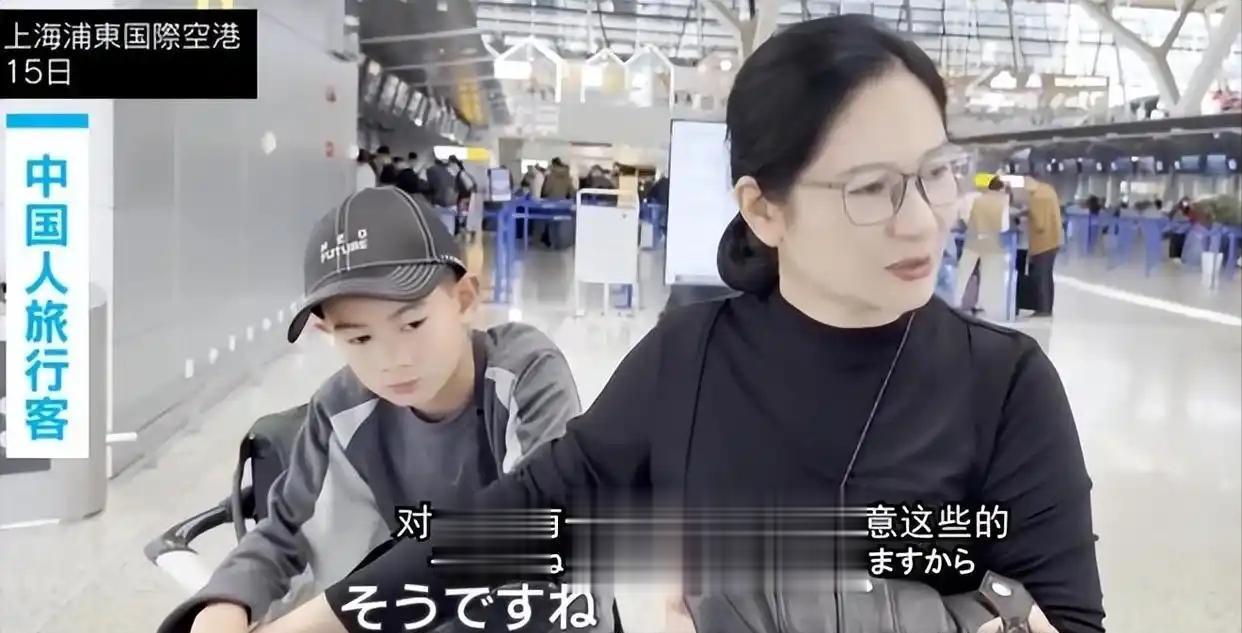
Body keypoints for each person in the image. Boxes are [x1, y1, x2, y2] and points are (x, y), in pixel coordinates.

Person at [264, 15, 1103, 633]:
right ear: (764, 209)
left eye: (937, 173)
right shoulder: (690, 361)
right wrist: (326, 617)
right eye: (872, 189)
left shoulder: (1005, 384)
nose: (922, 220)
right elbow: (523, 518)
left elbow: (1064, 616)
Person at [158, 188, 582, 633]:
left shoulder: (523, 375)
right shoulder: (341, 410)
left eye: (412, 323)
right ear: (328, 333)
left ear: (463, 299)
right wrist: (226, 603)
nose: (392, 359)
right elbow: (286, 534)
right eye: (360, 338)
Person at [953, 176, 1010, 316]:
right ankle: (979, 305)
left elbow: (966, 217)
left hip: (972, 241)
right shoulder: (1002, 204)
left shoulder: (976, 199)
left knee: (963, 273)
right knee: (986, 275)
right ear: (1000, 190)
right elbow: (1004, 226)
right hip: (991, 243)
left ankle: (956, 301)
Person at [1026, 177, 1064, 317]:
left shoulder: (1037, 197)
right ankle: (1047, 307)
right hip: (1054, 240)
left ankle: (1043, 309)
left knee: (1041, 276)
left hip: (1042, 243)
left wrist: (1028, 214)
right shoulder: (1048, 190)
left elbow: (1040, 224)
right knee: (1047, 276)